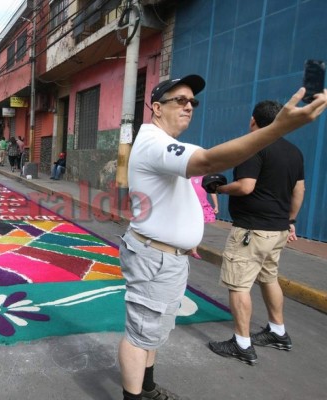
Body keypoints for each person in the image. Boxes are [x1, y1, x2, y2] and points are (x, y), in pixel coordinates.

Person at [119, 74, 326, 400]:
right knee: (141, 334)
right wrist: (277, 129)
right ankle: (134, 396)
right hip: (155, 258)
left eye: (193, 102)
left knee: (155, 331)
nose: (189, 106)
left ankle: (147, 389)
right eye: (180, 100)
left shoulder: (163, 143)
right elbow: (208, 160)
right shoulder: (153, 142)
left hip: (170, 256)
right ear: (156, 108)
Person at [208, 100, 304, 365]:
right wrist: (291, 219)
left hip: (252, 229)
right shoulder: (294, 152)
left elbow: (246, 186)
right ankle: (278, 332)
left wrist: (219, 189)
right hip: (278, 230)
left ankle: (241, 344)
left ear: (254, 120)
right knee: (269, 278)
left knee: (239, 285)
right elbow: (299, 190)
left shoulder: (254, 146)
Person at [189, 175, 219, 259]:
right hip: (190, 204)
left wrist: (216, 205)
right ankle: (186, 245)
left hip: (202, 205)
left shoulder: (205, 178)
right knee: (189, 226)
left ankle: (194, 251)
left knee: (197, 228)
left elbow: (212, 192)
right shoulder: (188, 177)